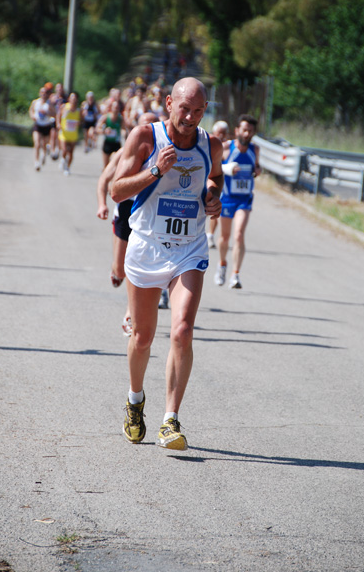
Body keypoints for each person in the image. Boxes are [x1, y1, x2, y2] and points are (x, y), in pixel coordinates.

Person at [111, 77, 223, 450]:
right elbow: (116, 190)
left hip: (189, 248)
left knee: (182, 332)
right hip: (146, 247)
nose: (189, 117)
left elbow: (214, 177)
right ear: (168, 103)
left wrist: (212, 196)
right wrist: (155, 171)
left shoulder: (211, 144)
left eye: (197, 110)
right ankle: (135, 400)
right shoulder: (145, 137)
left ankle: (170, 421)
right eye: (183, 108)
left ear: (205, 109)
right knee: (142, 338)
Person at [97, 112, 159, 337]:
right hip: (125, 211)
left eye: (153, 125)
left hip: (149, 214)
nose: (148, 129)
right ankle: (115, 271)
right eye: (145, 124)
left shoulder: (161, 153)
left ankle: (129, 313)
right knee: (121, 269)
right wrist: (101, 205)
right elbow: (104, 180)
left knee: (140, 265)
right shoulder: (124, 153)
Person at [214, 114, 261, 289]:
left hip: (244, 199)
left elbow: (256, 167)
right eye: (244, 130)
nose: (247, 133)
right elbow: (214, 168)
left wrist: (258, 169)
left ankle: (236, 274)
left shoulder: (255, 150)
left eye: (250, 131)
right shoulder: (226, 148)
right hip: (227, 198)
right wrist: (227, 169)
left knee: (239, 234)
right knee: (224, 237)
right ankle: (222, 264)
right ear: (237, 131)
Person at [206, 120, 230, 248]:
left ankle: (217, 236)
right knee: (213, 204)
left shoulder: (229, 146)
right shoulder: (208, 143)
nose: (221, 135)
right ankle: (210, 234)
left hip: (228, 184)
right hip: (213, 181)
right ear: (214, 132)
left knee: (219, 208)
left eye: (224, 133)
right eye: (219, 132)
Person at [28, 86, 56, 171]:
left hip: (46, 126)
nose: (43, 94)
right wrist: (33, 116)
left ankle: (43, 154)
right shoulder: (35, 102)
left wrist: (47, 113)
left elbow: (54, 114)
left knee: (44, 144)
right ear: (40, 93)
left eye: (45, 93)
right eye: (42, 93)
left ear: (48, 94)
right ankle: (36, 162)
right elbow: (31, 111)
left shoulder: (49, 104)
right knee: (37, 143)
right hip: (38, 125)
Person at [57, 92, 81, 175]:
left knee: (71, 152)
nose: (73, 100)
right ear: (69, 99)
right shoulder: (64, 107)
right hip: (64, 132)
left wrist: (78, 123)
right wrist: (58, 123)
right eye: (72, 98)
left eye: (75, 99)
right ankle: (63, 160)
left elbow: (81, 120)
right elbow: (59, 115)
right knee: (64, 150)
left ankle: (67, 167)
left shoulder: (78, 110)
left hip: (73, 134)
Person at [96, 100, 125, 168]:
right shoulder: (106, 117)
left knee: (115, 163)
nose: (116, 109)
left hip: (116, 143)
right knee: (106, 166)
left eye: (118, 107)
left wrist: (123, 132)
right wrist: (104, 130)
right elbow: (97, 128)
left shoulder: (120, 118)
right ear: (111, 108)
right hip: (107, 143)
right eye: (115, 107)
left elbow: (124, 128)